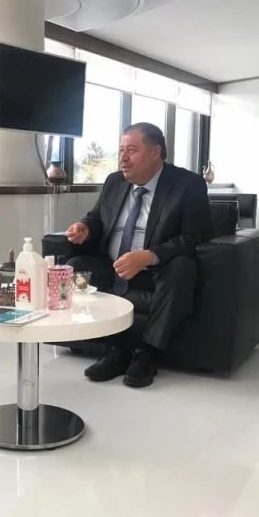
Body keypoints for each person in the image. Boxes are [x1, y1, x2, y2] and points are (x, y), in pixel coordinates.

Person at [65, 122, 212, 388]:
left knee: (182, 268)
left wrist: (149, 256)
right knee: (75, 266)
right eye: (121, 150)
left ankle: (148, 353)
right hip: (113, 266)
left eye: (131, 150)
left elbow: (193, 237)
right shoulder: (114, 181)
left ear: (156, 152)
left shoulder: (187, 184)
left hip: (156, 270)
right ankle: (116, 349)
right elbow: (96, 218)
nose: (123, 158)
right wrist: (85, 228)